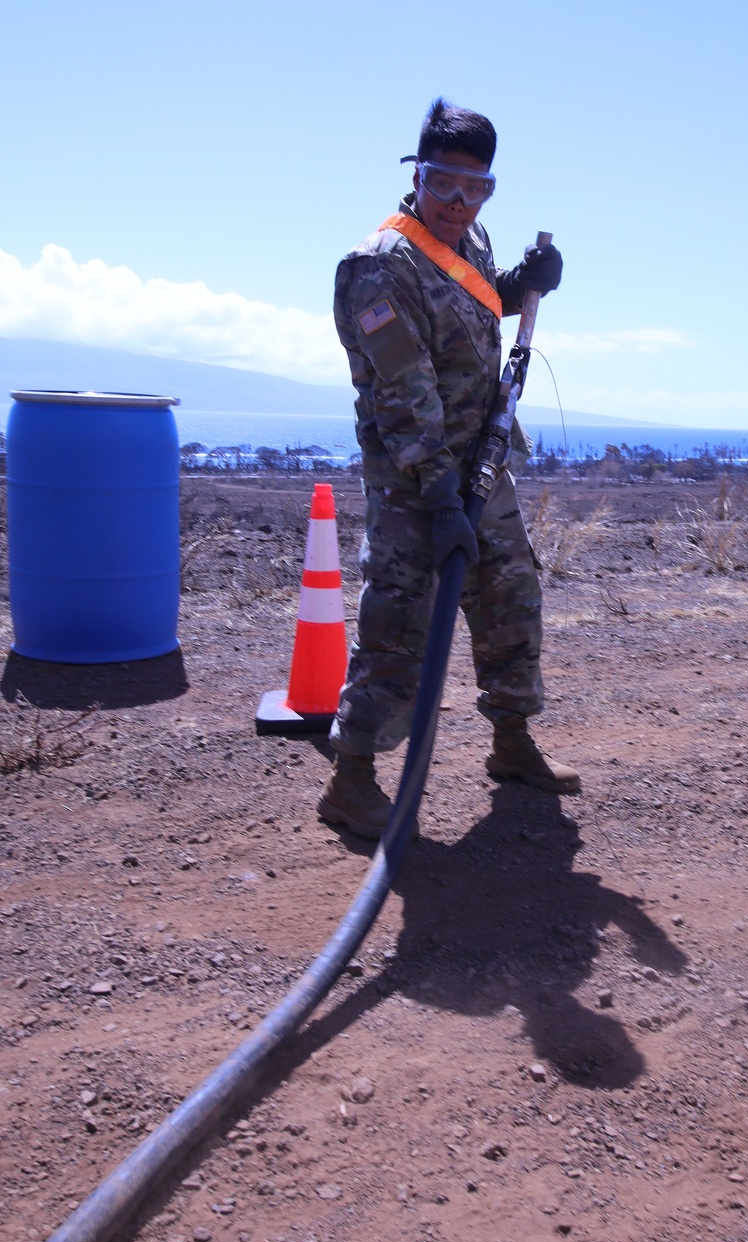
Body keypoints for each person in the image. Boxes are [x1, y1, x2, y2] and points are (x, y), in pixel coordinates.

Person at [319, 98, 581, 841]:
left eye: (478, 189)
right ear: (416, 175)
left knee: (510, 599)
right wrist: (439, 499)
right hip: (416, 480)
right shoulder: (378, 265)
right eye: (444, 185)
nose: (459, 203)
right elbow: (404, 391)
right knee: (400, 625)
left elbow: (470, 306)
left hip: (483, 466)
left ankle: (511, 742)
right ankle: (353, 779)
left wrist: (520, 282)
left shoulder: (468, 240)